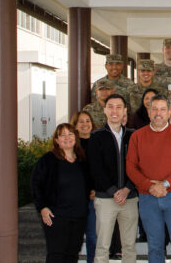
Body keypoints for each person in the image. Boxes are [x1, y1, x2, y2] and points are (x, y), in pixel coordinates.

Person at [126, 95, 171, 263]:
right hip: (148, 198)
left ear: (170, 112)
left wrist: (164, 184)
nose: (158, 113)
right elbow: (131, 167)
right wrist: (150, 186)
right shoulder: (137, 136)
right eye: (154, 109)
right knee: (155, 246)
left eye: (163, 109)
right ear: (148, 112)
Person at [88, 94, 138, 263]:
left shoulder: (134, 136)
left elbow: (140, 165)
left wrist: (127, 189)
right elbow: (95, 168)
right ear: (105, 110)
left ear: (125, 111)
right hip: (105, 199)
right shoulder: (96, 136)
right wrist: (114, 191)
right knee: (102, 245)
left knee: (129, 245)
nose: (114, 111)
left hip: (130, 198)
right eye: (110, 106)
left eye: (118, 107)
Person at [32, 122, 91, 262]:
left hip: (79, 216)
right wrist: (42, 208)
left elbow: (89, 184)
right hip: (56, 216)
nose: (67, 137)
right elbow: (36, 185)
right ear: (57, 140)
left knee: (72, 255)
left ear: (75, 137)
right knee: (56, 255)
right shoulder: (48, 160)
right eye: (62, 135)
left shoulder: (82, 160)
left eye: (70, 134)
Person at [72, 111, 99, 261]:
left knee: (93, 237)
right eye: (81, 121)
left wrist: (96, 189)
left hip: (93, 197)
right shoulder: (71, 145)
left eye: (87, 121)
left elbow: (101, 170)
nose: (85, 124)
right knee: (74, 239)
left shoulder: (98, 141)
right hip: (75, 199)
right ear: (75, 125)